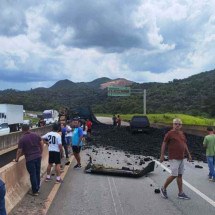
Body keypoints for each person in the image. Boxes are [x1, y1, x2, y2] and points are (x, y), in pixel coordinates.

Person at [160, 118, 192, 200]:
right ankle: (163, 188)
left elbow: (184, 144)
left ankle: (180, 193)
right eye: (176, 123)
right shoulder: (169, 133)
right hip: (173, 157)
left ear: (181, 126)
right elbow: (164, 143)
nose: (177, 125)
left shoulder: (182, 134)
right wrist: (162, 155)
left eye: (179, 124)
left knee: (180, 175)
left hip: (181, 157)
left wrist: (188, 154)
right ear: (173, 124)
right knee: (174, 174)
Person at [14, 124, 43, 196]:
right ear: (29, 128)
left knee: (32, 174)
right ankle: (37, 188)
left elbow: (19, 150)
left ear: (22, 130)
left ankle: (35, 191)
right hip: (38, 156)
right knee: (37, 172)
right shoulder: (36, 135)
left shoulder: (22, 139)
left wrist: (17, 159)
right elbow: (41, 143)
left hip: (30, 159)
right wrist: (41, 152)